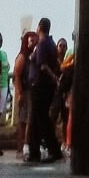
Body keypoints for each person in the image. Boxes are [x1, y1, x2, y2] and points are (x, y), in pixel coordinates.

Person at [25, 17, 61, 165]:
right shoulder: (51, 44)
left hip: (40, 85)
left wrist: (53, 78)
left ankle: (53, 149)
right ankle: (35, 151)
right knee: (37, 118)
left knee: (41, 119)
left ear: (40, 27)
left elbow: (42, 65)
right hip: (45, 86)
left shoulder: (42, 44)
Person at [13, 30, 36, 159]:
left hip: (30, 90)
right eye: (31, 40)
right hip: (25, 91)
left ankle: (24, 144)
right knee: (25, 120)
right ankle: (23, 144)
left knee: (26, 119)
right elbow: (17, 75)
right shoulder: (22, 57)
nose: (33, 43)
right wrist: (19, 92)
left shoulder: (32, 55)